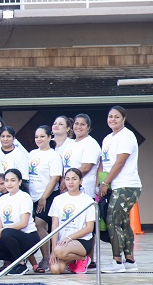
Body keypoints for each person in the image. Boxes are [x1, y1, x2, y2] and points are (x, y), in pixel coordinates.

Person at [99, 106, 143, 273]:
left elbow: (120, 162)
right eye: (110, 116)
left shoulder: (127, 136)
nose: (113, 119)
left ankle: (117, 262)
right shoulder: (107, 139)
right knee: (123, 222)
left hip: (127, 184)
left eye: (116, 117)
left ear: (124, 118)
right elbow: (107, 164)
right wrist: (103, 183)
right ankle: (130, 260)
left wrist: (106, 183)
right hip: (114, 185)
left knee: (113, 221)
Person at [0, 168, 40, 276]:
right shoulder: (2, 199)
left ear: (19, 182)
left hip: (28, 238)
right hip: (10, 238)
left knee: (6, 232)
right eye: (7, 180)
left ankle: (21, 264)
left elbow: (23, 223)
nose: (9, 183)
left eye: (13, 180)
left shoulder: (24, 197)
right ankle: (16, 261)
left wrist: (1, 230)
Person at [27, 125, 63, 273]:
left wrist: (44, 197)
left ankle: (47, 257)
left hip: (48, 196)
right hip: (33, 196)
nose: (39, 139)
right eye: (37, 137)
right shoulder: (31, 154)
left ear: (49, 137)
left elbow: (55, 178)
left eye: (42, 136)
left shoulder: (53, 155)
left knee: (39, 224)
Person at [49, 169, 96, 275]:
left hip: (81, 241)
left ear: (81, 181)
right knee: (56, 270)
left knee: (60, 251)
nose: (70, 182)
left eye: (74, 179)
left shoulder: (88, 201)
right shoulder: (58, 199)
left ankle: (84, 258)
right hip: (62, 244)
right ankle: (74, 260)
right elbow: (55, 225)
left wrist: (69, 238)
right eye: (67, 179)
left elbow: (89, 228)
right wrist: (53, 250)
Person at [69, 113, 102, 199]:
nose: (78, 127)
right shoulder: (70, 143)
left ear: (88, 127)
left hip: (85, 191)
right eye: (76, 123)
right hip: (69, 190)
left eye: (82, 124)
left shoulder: (91, 143)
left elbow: (86, 167)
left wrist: (68, 180)